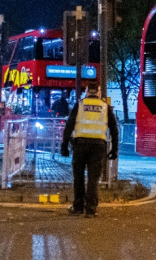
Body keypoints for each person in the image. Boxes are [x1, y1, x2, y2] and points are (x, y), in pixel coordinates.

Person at [61, 83, 120, 218]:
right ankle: (91, 209)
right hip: (98, 146)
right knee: (93, 178)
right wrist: (115, 149)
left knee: (79, 177)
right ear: (98, 92)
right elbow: (114, 130)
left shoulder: (80, 104)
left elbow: (69, 125)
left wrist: (64, 145)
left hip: (80, 145)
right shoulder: (105, 107)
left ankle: (78, 207)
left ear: (87, 92)